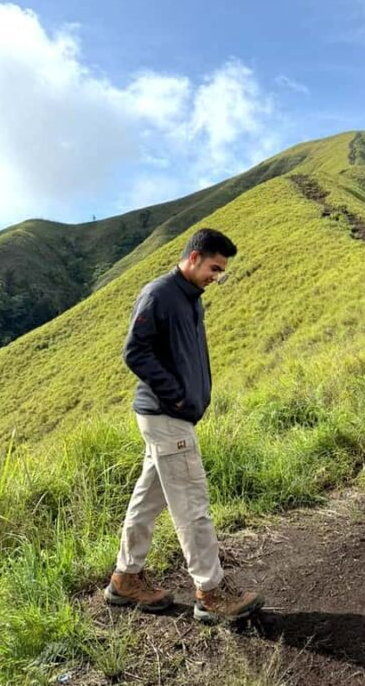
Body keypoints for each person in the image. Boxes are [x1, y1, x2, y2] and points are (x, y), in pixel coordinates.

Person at [104, 228, 263, 620]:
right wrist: (175, 394)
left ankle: (126, 578)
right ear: (193, 258)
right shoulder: (159, 294)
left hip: (171, 415)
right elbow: (134, 351)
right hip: (166, 416)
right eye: (214, 267)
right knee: (193, 502)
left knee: (148, 498)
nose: (217, 276)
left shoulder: (190, 298)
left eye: (221, 270)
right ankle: (210, 593)